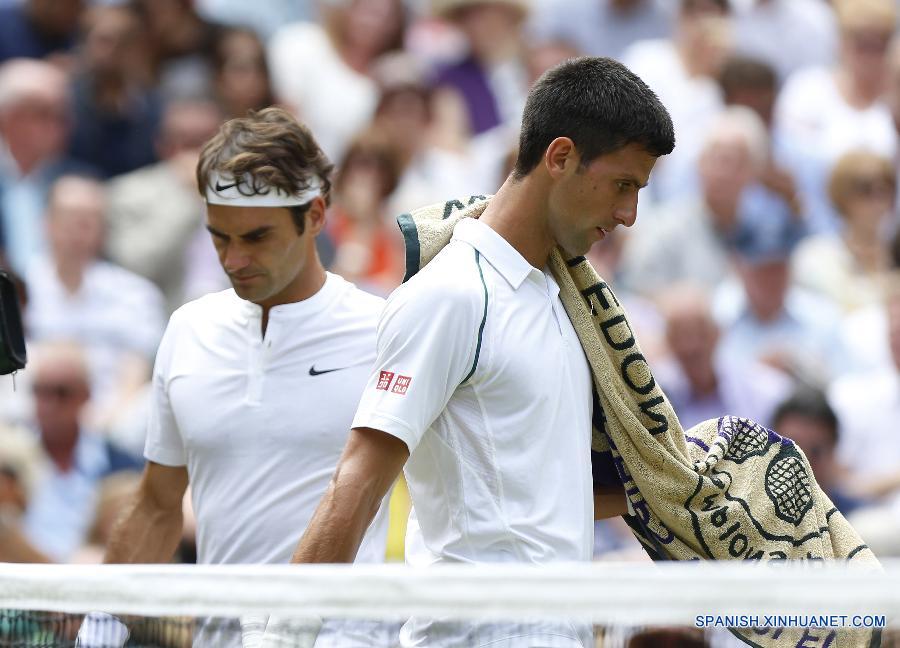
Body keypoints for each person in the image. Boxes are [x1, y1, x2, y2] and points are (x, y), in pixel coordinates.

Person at [290, 57, 675, 648]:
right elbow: (359, 480)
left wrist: (691, 489)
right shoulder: (450, 295)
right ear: (560, 157)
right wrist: (282, 634)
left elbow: (538, 501)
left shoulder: (564, 300)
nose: (629, 215)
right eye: (624, 185)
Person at [84, 107, 391, 647]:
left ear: (315, 215)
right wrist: (99, 629)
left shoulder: (386, 331)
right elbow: (157, 504)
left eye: (256, 237)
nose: (234, 259)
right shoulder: (188, 329)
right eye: (219, 237)